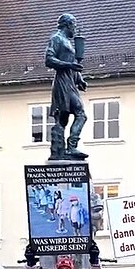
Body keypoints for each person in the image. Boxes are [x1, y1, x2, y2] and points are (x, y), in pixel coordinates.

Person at [45, 12, 88, 161]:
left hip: (70, 81)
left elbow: (72, 66)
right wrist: (69, 65)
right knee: (63, 118)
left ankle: (71, 146)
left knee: (80, 114)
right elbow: (49, 60)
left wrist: (79, 79)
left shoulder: (68, 42)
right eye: (74, 25)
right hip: (62, 82)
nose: (75, 29)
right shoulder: (56, 39)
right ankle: (62, 150)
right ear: (68, 25)